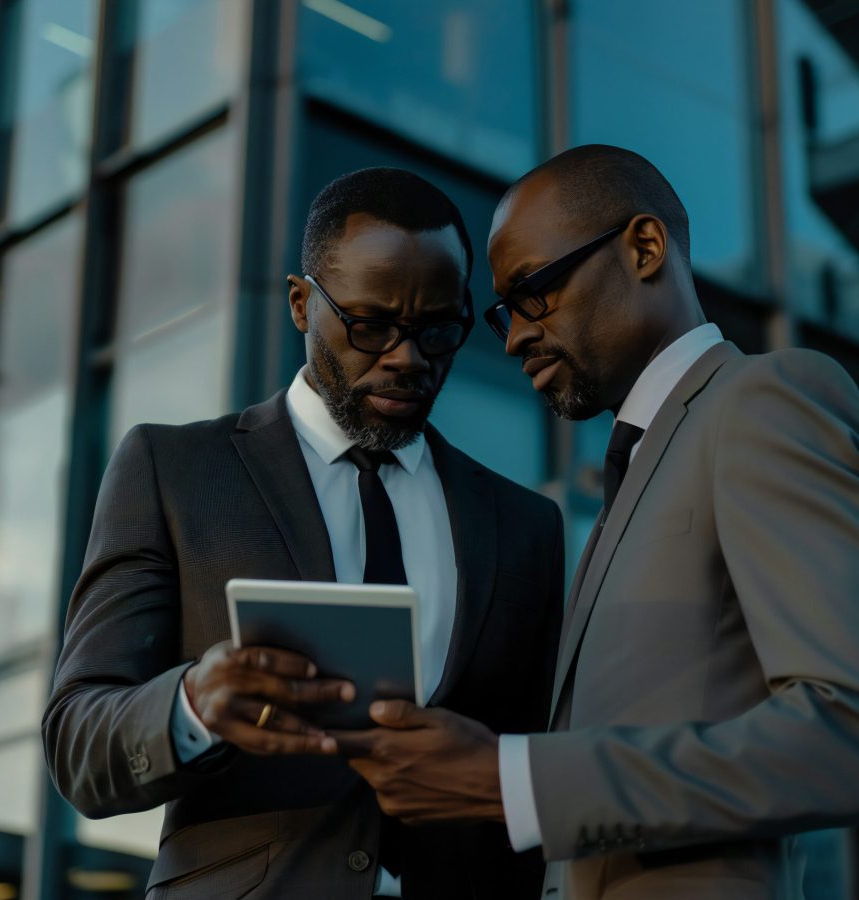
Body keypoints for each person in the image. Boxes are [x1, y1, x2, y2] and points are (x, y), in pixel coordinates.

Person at [328, 146, 859, 900]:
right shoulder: (636, 470)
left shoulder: (764, 399)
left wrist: (513, 781)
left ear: (644, 249)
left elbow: (845, 727)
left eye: (534, 292)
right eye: (504, 312)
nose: (515, 337)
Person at [42, 167, 564, 900]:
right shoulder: (173, 470)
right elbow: (78, 742)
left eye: (438, 330)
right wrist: (192, 705)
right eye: (371, 326)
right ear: (300, 304)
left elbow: (534, 771)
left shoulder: (525, 526)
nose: (407, 358)